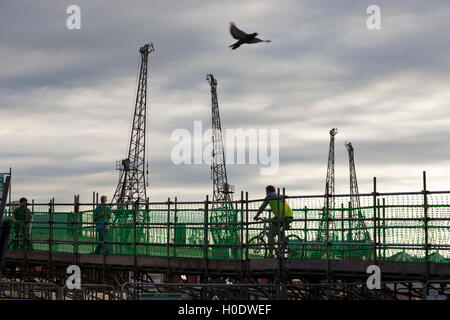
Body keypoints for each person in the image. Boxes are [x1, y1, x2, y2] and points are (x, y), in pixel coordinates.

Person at [253, 185, 293, 258]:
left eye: (266, 192)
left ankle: (270, 254)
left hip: (281, 217)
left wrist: (256, 216)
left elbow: (263, 207)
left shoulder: (270, 195)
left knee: (271, 234)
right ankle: (283, 242)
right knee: (276, 227)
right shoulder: (279, 195)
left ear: (268, 191)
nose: (266, 193)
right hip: (290, 216)